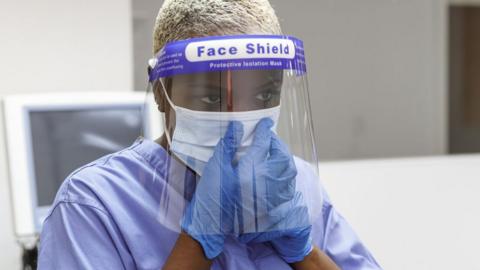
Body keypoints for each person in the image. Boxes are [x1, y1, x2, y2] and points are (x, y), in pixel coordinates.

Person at [38, 1, 382, 269]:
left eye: (264, 96)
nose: (240, 118)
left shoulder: (299, 184)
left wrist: (304, 253)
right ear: (160, 91)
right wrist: (197, 242)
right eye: (212, 98)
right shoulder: (95, 204)